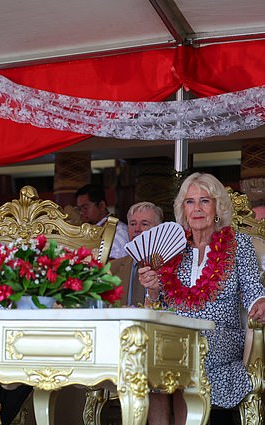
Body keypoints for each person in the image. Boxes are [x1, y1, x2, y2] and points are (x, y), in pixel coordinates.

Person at [139, 172, 265, 425]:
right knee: (147, 367)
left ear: (217, 207)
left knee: (181, 359)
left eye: (204, 201)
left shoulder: (239, 245)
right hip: (174, 337)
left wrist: (260, 304)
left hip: (220, 337)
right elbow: (157, 307)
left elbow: (254, 291)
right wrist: (152, 290)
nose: (197, 209)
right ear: (182, 210)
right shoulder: (171, 248)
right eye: (190, 202)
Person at [109, 201, 164, 306]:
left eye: (144, 224)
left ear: (158, 230)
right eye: (133, 224)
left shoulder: (171, 267)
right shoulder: (113, 268)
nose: (137, 229)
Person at [75, 184, 128, 258]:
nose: (81, 212)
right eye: (79, 209)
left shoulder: (118, 230)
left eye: (85, 207)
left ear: (101, 205)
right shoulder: (88, 229)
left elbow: (120, 263)